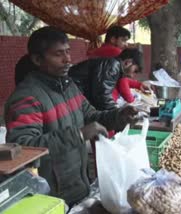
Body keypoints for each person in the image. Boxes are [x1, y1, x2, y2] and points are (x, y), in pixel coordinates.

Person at [5, 26, 138, 206]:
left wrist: (119, 116)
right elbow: (24, 148)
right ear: (37, 59)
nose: (68, 59)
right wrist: (80, 134)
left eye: (68, 52)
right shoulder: (26, 98)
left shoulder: (68, 87)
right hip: (51, 196)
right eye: (59, 54)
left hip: (78, 184)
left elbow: (92, 116)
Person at [69, 48, 144, 111]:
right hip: (70, 97)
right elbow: (102, 97)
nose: (132, 76)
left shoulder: (113, 65)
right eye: (135, 71)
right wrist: (118, 113)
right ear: (128, 62)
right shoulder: (112, 66)